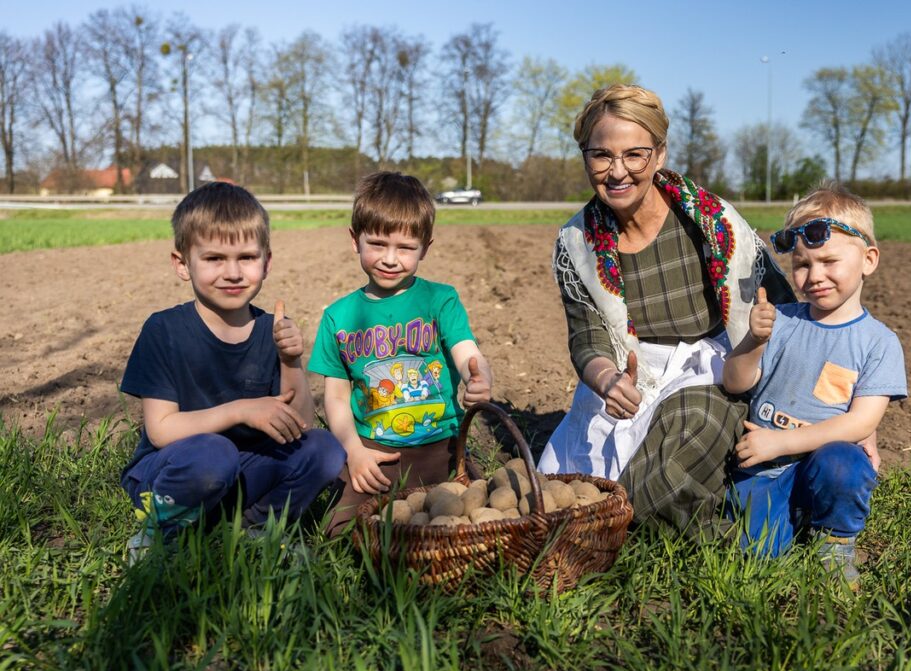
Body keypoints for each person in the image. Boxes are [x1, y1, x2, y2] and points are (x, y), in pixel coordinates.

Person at [538, 84, 795, 535]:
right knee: (585, 472)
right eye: (601, 156)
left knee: (688, 428)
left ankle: (608, 530)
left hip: (715, 368)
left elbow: (775, 300)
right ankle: (638, 522)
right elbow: (587, 336)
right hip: (629, 372)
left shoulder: (711, 224)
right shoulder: (576, 244)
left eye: (634, 154)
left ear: (659, 154)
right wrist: (607, 380)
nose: (617, 172)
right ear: (585, 157)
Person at [120, 182, 347, 561]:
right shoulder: (164, 331)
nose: (233, 272)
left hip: (245, 473)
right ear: (182, 264)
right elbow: (161, 431)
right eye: (214, 259)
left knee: (324, 449)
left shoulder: (270, 329)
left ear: (267, 262)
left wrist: (291, 360)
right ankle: (161, 533)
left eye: (246, 257)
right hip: (177, 471)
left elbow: (302, 425)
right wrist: (242, 410)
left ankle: (258, 526)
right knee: (213, 453)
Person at [722, 182, 906, 583]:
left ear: (869, 260)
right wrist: (753, 342)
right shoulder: (782, 321)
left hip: (818, 460)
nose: (814, 275)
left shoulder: (879, 343)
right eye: (802, 265)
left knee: (844, 465)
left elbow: (860, 424)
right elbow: (736, 382)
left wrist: (781, 441)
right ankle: (796, 517)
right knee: (757, 556)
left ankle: (835, 540)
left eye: (829, 261)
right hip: (766, 467)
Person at [309, 171, 493, 537]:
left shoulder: (439, 300)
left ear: (425, 246)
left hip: (440, 449)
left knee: (458, 524)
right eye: (377, 244)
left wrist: (479, 376)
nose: (390, 259)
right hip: (374, 452)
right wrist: (353, 451)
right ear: (354, 240)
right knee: (338, 533)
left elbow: (465, 350)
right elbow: (336, 395)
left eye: (405, 248)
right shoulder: (338, 317)